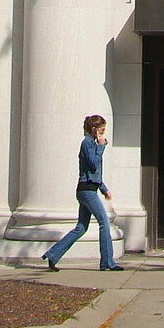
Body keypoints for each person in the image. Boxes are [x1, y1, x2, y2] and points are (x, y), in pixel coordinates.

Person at [42, 114, 118, 271]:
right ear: (94, 130)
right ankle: (107, 263)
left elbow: (93, 173)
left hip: (87, 189)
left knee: (81, 227)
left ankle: (52, 255)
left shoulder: (91, 144)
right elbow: (94, 164)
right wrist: (102, 146)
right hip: (87, 191)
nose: (103, 134)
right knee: (104, 221)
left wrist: (104, 189)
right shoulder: (88, 143)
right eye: (102, 130)